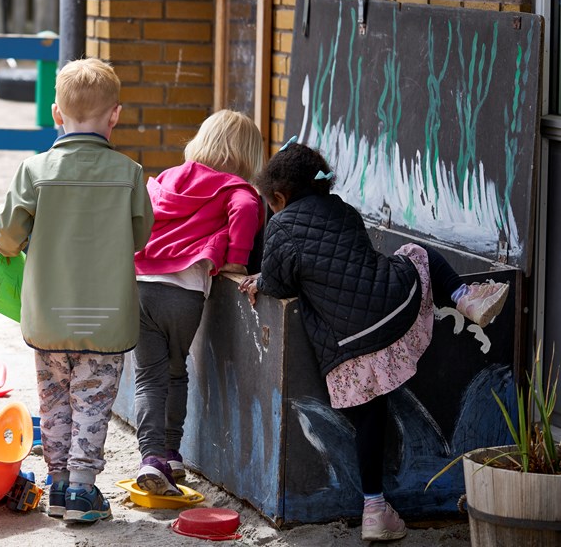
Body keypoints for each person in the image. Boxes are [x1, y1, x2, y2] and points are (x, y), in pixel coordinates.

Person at [238, 141, 510, 541]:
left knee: (369, 415)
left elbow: (280, 282)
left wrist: (262, 278)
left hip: (346, 341)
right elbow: (356, 262)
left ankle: (373, 504)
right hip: (392, 307)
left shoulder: (280, 226)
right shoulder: (345, 211)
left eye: (271, 203)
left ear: (279, 196)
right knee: (418, 253)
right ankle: (465, 297)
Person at [0, 57, 154, 523]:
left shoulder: (33, 170)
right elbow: (141, 237)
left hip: (49, 315)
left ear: (56, 114)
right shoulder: (129, 173)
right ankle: (83, 490)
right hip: (106, 317)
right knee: (93, 401)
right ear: (115, 115)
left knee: (55, 400)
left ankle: (58, 484)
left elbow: (6, 237)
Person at [131, 109, 265, 496]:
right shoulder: (236, 189)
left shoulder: (169, 177)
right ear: (246, 154)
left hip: (140, 284)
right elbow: (245, 209)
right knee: (176, 371)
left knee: (148, 377)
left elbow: (146, 204)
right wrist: (237, 258)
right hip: (185, 291)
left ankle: (152, 456)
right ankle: (171, 453)